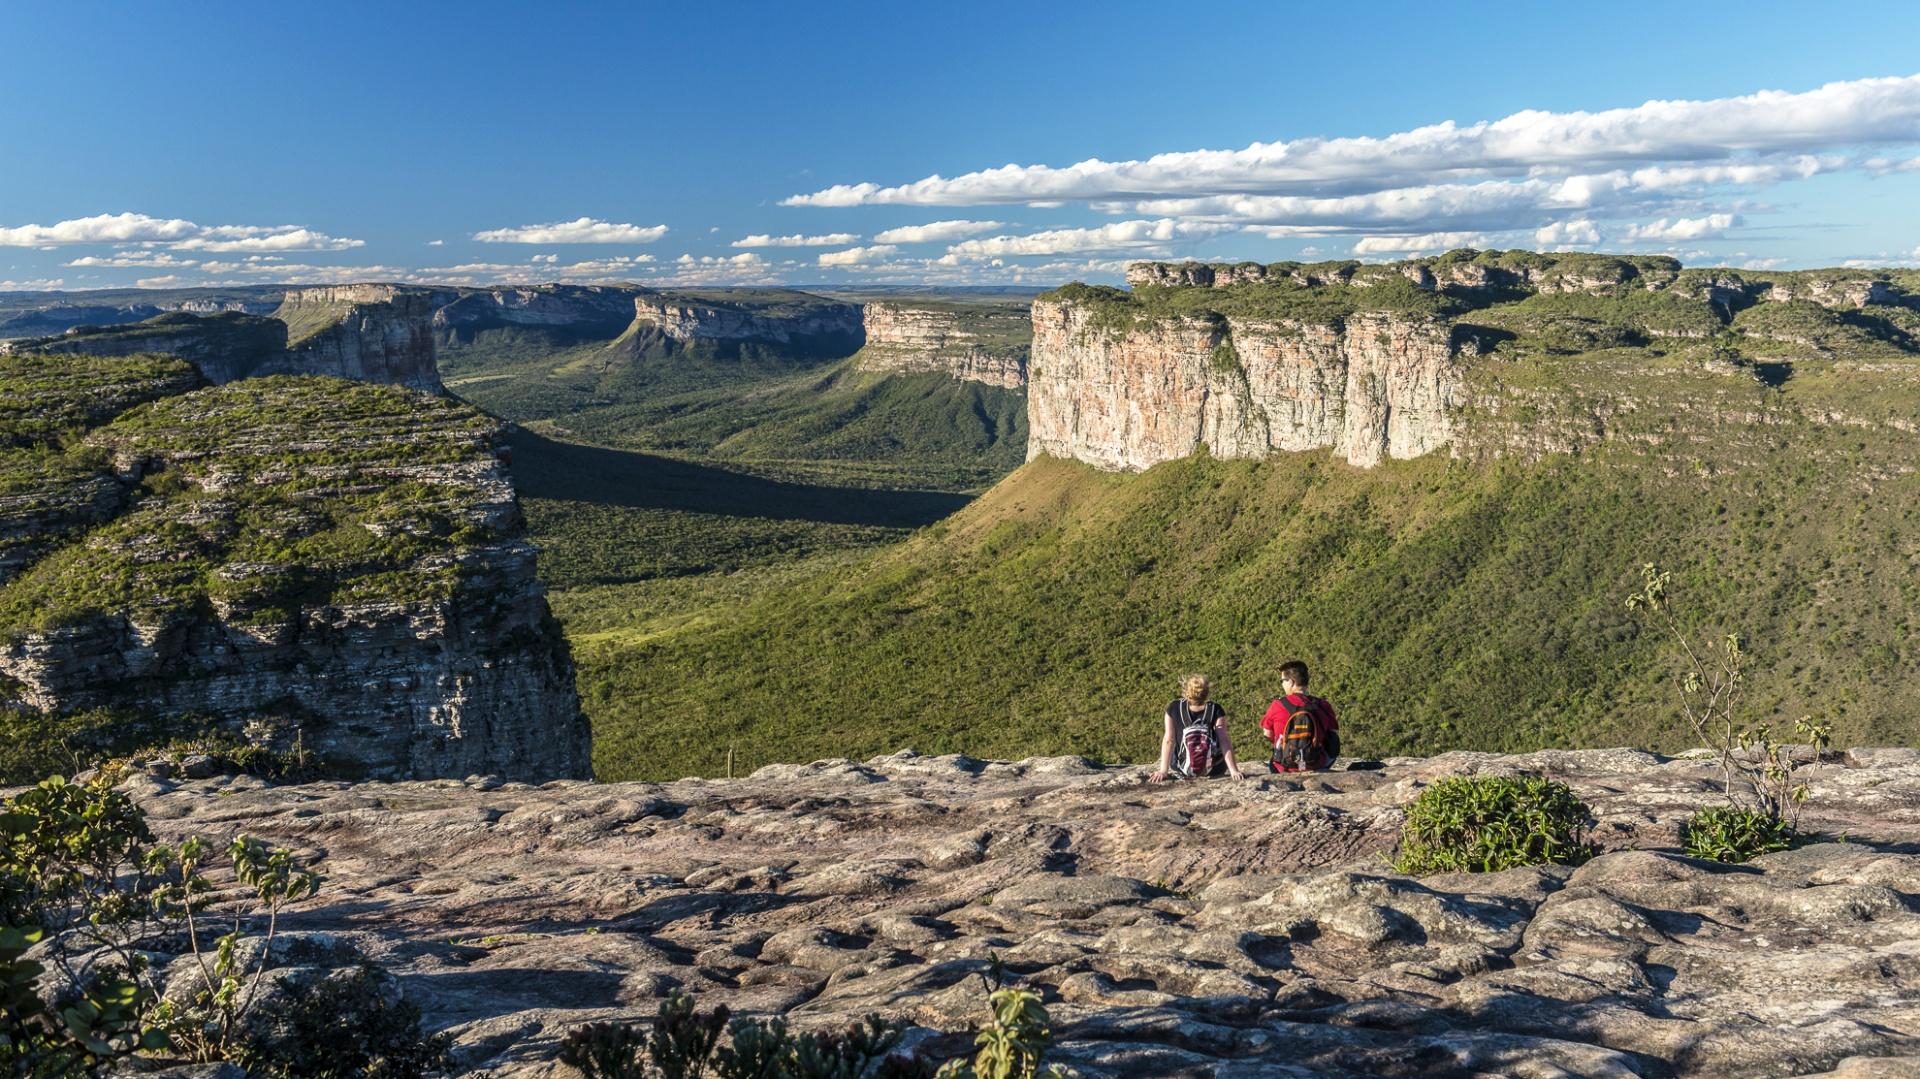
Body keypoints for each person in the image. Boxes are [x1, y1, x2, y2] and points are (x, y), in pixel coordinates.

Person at [1150, 674, 1246, 782]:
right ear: (1206, 692)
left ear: (1186, 690)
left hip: (1182, 767)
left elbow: (1169, 740)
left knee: (1175, 753)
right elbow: (1224, 740)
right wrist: (1234, 770)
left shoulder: (1174, 708)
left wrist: (1163, 771)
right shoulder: (1216, 709)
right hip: (1214, 769)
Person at [1261, 660, 1340, 773]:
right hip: (1317, 764)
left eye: (1282, 681)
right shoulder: (1323, 705)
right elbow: (1333, 735)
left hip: (1285, 766)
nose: (1282, 684)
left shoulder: (1277, 705)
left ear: (1291, 682)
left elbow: (1267, 734)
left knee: (1275, 757)